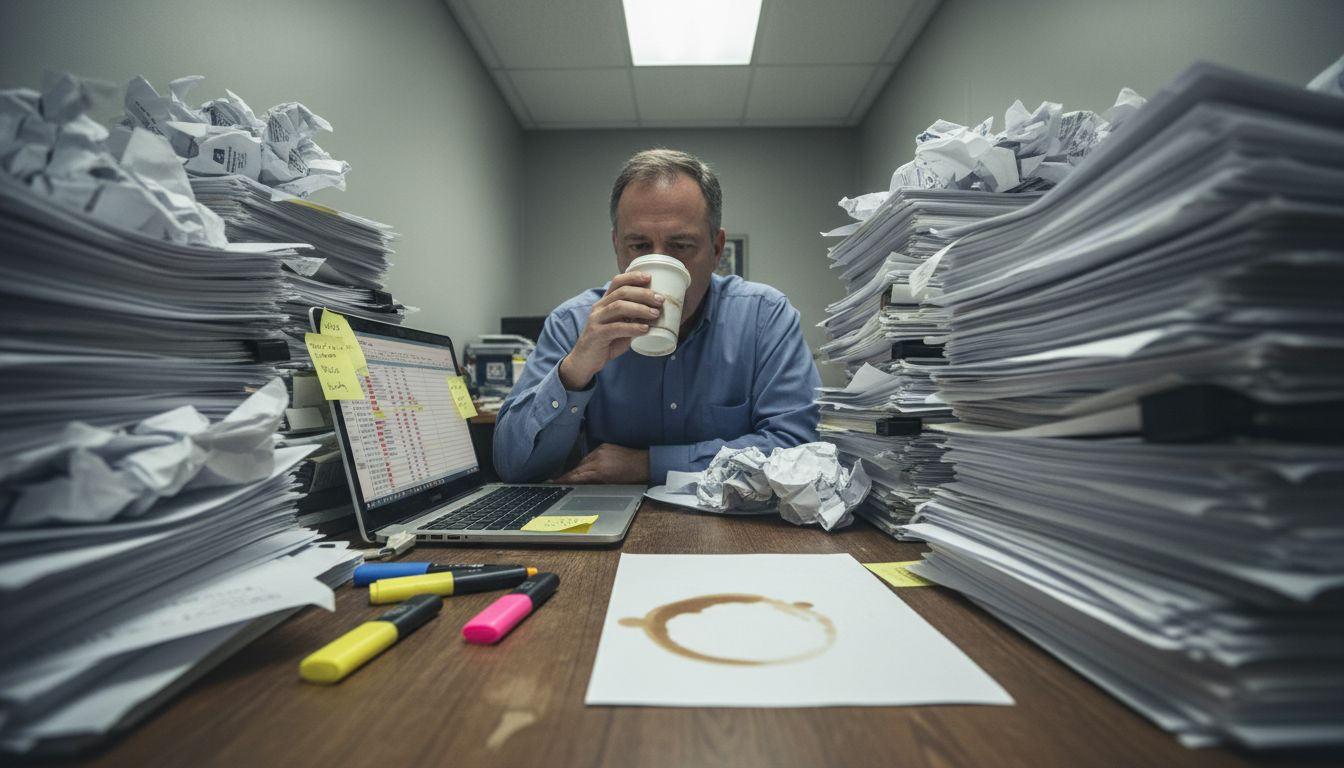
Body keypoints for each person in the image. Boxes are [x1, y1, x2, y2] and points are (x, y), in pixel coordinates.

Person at [494, 149, 820, 485]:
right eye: (639, 245)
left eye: (681, 245)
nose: (658, 266)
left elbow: (799, 449)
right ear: (617, 245)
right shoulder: (573, 323)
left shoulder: (764, 317)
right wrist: (574, 372)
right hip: (605, 513)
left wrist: (649, 465)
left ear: (716, 249)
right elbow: (512, 468)